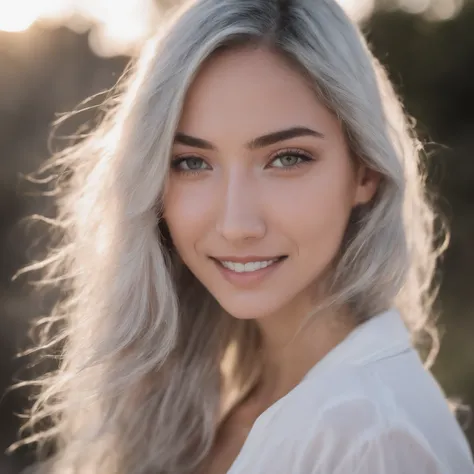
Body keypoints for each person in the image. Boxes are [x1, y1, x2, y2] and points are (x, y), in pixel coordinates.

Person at [12, 0, 474, 473]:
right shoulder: (214, 396)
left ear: (365, 172)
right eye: (191, 162)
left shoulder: (373, 441)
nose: (235, 224)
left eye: (287, 158)